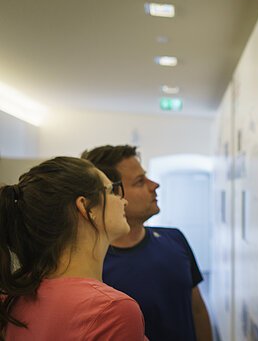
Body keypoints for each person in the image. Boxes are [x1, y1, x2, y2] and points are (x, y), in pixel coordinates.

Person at [0, 157, 147, 340]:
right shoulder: (112, 310)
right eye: (111, 191)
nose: (123, 201)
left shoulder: (16, 299)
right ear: (86, 207)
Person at [82, 145, 212, 341]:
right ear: (111, 195)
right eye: (140, 181)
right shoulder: (93, 265)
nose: (155, 185)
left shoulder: (175, 239)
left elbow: (197, 310)